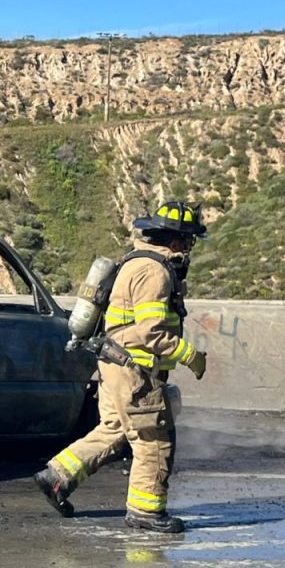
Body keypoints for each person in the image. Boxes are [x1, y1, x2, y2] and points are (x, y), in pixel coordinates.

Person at [34, 200, 208, 534]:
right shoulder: (155, 271)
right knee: (153, 440)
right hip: (136, 373)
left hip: (113, 366)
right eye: (188, 241)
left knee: (114, 431)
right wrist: (191, 356)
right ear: (174, 241)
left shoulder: (134, 261)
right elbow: (151, 331)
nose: (189, 248)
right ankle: (146, 511)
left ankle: (56, 477)